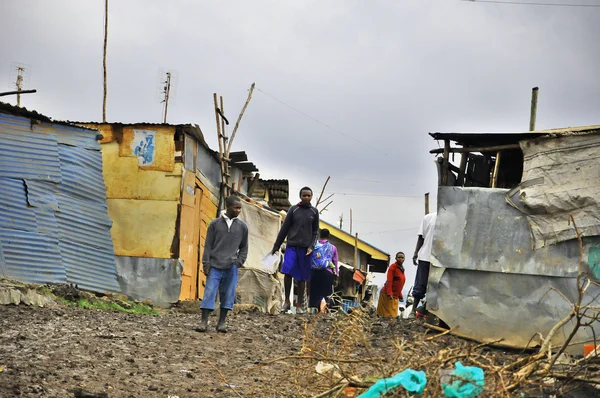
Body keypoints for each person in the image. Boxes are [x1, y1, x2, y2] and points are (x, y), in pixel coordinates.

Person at [197, 195, 249, 333]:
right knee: (209, 292)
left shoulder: (243, 227)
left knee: (228, 294)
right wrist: (206, 264)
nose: (238, 210)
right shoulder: (215, 224)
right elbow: (207, 245)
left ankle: (221, 323)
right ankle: (204, 322)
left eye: (240, 208)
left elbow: (244, 248)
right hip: (214, 265)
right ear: (228, 206)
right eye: (236, 207)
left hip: (231, 266)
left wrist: (238, 263)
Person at [271, 187, 319, 313]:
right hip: (292, 246)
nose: (306, 198)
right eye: (304, 195)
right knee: (288, 271)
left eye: (308, 195)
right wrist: (276, 245)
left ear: (311, 197)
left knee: (302, 277)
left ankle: (299, 306)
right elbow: (284, 229)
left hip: (306, 249)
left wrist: (311, 246)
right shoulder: (293, 210)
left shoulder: (314, 212)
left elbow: (315, 233)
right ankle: (286, 301)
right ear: (300, 196)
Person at [410, 212, 437, 317]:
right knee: (420, 284)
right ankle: (413, 310)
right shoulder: (429, 218)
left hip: (441, 260)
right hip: (426, 257)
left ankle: (430, 313)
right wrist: (416, 253)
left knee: (436, 287)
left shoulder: (453, 217)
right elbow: (421, 237)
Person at [308, 228, 338, 312]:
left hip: (315, 273)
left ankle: (318, 311)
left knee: (316, 293)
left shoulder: (314, 246)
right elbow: (335, 263)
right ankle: (325, 312)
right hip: (327, 273)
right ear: (329, 236)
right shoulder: (333, 248)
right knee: (327, 294)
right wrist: (336, 277)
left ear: (320, 235)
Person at [376, 252, 407, 318]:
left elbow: (399, 285)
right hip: (387, 295)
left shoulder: (402, 269)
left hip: (395, 296)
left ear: (404, 259)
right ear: (396, 258)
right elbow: (389, 281)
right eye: (399, 257)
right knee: (387, 315)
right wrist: (389, 293)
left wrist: (400, 295)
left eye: (402, 257)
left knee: (393, 315)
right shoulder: (392, 267)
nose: (400, 259)